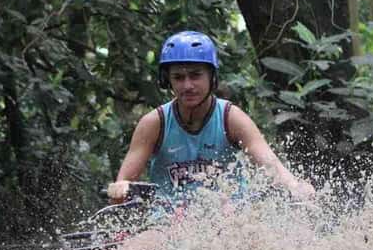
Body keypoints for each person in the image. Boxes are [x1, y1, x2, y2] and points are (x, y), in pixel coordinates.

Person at [107, 31, 315, 206]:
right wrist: (121, 188)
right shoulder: (154, 123)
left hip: (230, 222)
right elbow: (123, 185)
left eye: (196, 75)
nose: (187, 85)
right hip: (165, 224)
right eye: (178, 77)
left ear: (211, 77)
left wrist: (295, 186)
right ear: (167, 80)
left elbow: (270, 164)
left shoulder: (231, 118)